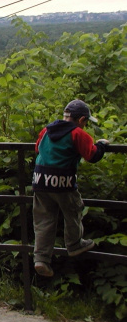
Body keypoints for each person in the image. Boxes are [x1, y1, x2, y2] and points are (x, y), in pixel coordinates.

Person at [32, 99, 110, 277]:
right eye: (86, 122)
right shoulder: (77, 134)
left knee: (44, 220)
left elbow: (37, 149)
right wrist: (101, 145)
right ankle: (74, 244)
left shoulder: (46, 130)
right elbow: (91, 155)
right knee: (73, 211)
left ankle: (41, 259)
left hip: (40, 181)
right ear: (81, 120)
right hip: (63, 183)